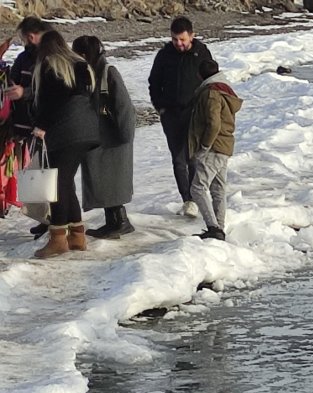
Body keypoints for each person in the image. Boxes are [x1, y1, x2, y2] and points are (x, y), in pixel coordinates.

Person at [31, 31, 100, 258]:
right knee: (66, 180)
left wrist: (40, 125)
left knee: (58, 183)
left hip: (66, 131)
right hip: (87, 129)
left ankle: (58, 237)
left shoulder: (51, 66)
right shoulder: (80, 65)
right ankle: (77, 235)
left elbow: (51, 102)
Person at [72, 36, 137, 239]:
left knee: (110, 181)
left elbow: (124, 106)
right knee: (104, 181)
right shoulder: (89, 72)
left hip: (113, 138)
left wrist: (126, 134)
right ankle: (114, 221)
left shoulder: (108, 73)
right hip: (100, 137)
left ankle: (120, 222)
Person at [148, 16, 214, 217]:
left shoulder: (201, 52)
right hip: (171, 114)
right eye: (175, 39)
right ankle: (187, 200)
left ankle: (196, 196)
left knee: (194, 157)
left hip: (194, 115)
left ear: (191, 36)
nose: (179, 44)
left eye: (183, 40)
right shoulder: (164, 54)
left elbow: (211, 81)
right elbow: (154, 82)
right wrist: (160, 107)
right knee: (178, 158)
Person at [187, 60, 242, 241]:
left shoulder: (211, 93)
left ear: (200, 75)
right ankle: (219, 228)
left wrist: (204, 146)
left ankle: (213, 227)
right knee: (218, 188)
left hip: (215, 147)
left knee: (197, 188)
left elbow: (213, 123)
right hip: (225, 145)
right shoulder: (224, 89)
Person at [8, 17, 53, 238]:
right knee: (36, 171)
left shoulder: (51, 57)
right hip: (27, 123)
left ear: (31, 35)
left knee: (52, 172)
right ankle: (45, 219)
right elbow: (13, 79)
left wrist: (23, 93)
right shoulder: (24, 57)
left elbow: (52, 92)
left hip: (46, 125)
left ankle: (58, 222)